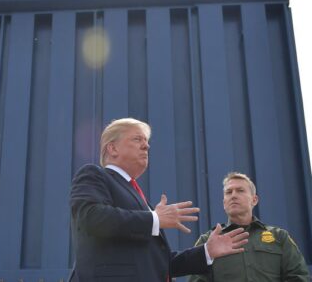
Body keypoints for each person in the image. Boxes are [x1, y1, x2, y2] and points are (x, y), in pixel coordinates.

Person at [69, 118, 249, 282]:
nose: (146, 146)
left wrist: (206, 252)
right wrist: (154, 219)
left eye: (146, 142)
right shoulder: (93, 174)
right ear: (113, 148)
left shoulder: (139, 197)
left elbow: (158, 263)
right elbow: (90, 218)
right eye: (137, 139)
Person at [187, 172, 309, 281]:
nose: (233, 195)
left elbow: (298, 276)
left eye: (240, 190)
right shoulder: (208, 241)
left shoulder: (280, 237)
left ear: (254, 200)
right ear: (224, 203)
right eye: (229, 192)